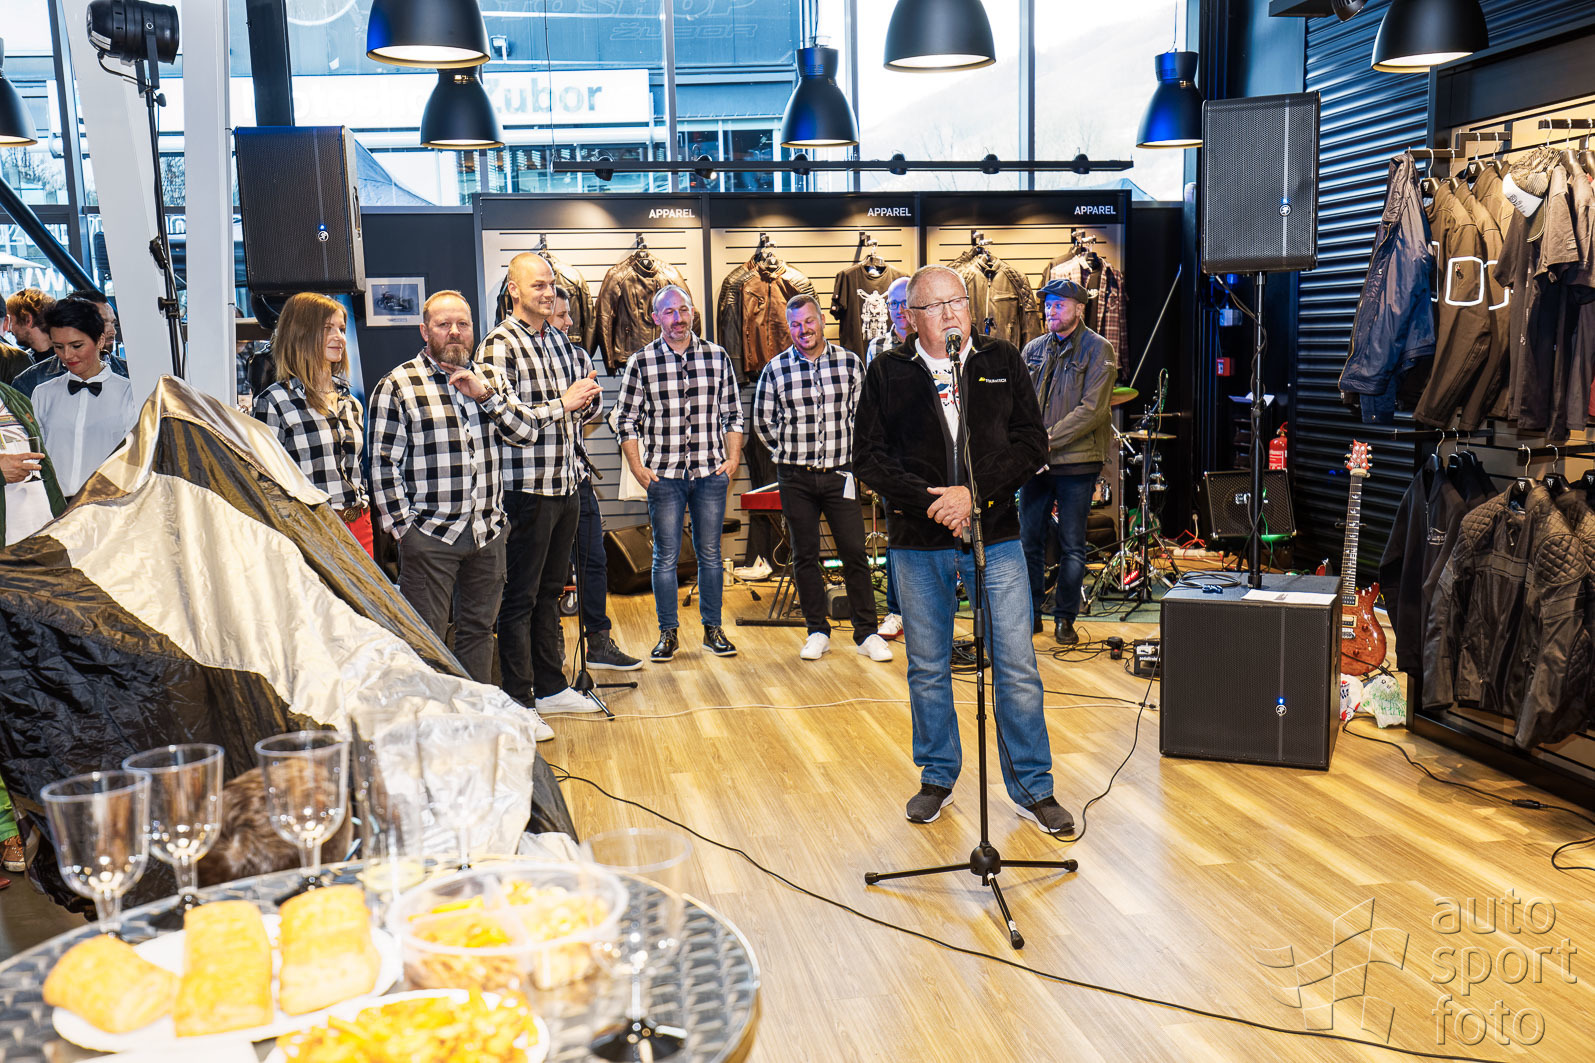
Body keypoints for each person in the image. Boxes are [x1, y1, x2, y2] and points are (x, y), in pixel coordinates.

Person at [854, 265, 1073, 836]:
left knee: (1017, 665)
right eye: (935, 306)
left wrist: (974, 496)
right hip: (918, 541)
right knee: (928, 667)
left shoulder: (1002, 361)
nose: (951, 313)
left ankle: (1033, 786)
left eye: (958, 302)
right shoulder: (887, 372)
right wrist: (934, 501)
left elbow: (1032, 443)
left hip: (995, 537)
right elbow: (869, 458)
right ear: (912, 318)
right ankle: (937, 776)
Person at [367, 290, 553, 741]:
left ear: (473, 329)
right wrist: (405, 530)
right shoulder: (398, 385)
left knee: (478, 632)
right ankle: (431, 733)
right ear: (424, 331)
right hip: (430, 536)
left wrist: (485, 395)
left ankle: (474, 726)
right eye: (443, 324)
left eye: (463, 324)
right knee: (426, 640)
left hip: (487, 532)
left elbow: (526, 432)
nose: (454, 332)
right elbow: (382, 465)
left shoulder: (491, 378)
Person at [479, 254, 605, 715]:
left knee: (552, 592)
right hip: (525, 492)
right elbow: (510, 424)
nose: (548, 292)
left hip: (566, 485)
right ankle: (520, 698)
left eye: (551, 284)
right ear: (514, 290)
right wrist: (564, 403)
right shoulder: (499, 345)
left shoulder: (558, 340)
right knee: (520, 598)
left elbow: (583, 408)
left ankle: (551, 688)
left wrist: (587, 401)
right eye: (538, 285)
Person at [754, 293, 892, 663]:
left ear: (822, 321)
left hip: (840, 474)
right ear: (789, 329)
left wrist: (855, 460)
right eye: (795, 325)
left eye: (809, 321)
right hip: (795, 477)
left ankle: (867, 633)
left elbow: (864, 417)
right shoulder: (775, 369)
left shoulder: (849, 363)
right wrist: (788, 451)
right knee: (804, 556)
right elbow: (763, 422)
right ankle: (817, 631)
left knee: (855, 553)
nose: (803, 330)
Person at [613, 285, 743, 662]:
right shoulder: (641, 362)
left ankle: (713, 630)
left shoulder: (717, 357)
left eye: (683, 310)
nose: (678, 318)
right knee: (665, 556)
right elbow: (625, 419)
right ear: (656, 318)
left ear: (692, 313)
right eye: (669, 312)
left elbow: (733, 413)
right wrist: (637, 466)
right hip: (664, 477)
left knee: (710, 554)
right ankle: (667, 633)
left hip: (710, 473)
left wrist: (733, 459)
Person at [1018, 278, 1117, 647]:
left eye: (1059, 305)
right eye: (1048, 305)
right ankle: (1030, 615)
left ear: (1079, 308)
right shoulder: (1033, 348)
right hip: (1036, 464)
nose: (1050, 311)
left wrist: (1044, 440)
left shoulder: (1099, 349)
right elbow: (1019, 402)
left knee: (1073, 545)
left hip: (1077, 463)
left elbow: (1092, 411)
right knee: (1028, 541)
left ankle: (1065, 619)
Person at [551, 285, 643, 671]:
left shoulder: (578, 355)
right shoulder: (517, 355)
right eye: (561, 315)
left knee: (593, 560)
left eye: (569, 314)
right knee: (549, 571)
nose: (570, 322)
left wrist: (583, 403)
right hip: (540, 484)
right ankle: (550, 645)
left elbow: (596, 409)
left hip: (578, 475)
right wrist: (565, 402)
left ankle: (599, 643)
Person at [252, 292, 374, 556]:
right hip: (311, 529)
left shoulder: (351, 402)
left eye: (341, 329)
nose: (340, 338)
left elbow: (356, 470)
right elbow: (264, 483)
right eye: (328, 328)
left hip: (360, 525)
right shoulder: (274, 402)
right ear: (301, 333)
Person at [32, 297, 138, 497]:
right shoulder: (43, 394)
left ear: (99, 340)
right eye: (59, 347)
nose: (67, 355)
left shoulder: (130, 394)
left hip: (109, 504)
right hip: (55, 506)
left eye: (76, 345)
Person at [864, 276, 911, 640]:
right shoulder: (877, 347)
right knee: (896, 536)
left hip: (933, 457)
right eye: (893, 304)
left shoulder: (936, 344)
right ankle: (896, 611)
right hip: (894, 459)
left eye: (905, 303)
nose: (899, 311)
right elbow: (872, 405)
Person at [10, 289, 130, 399]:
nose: (112, 331)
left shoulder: (130, 373)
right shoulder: (30, 381)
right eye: (101, 322)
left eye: (113, 323)